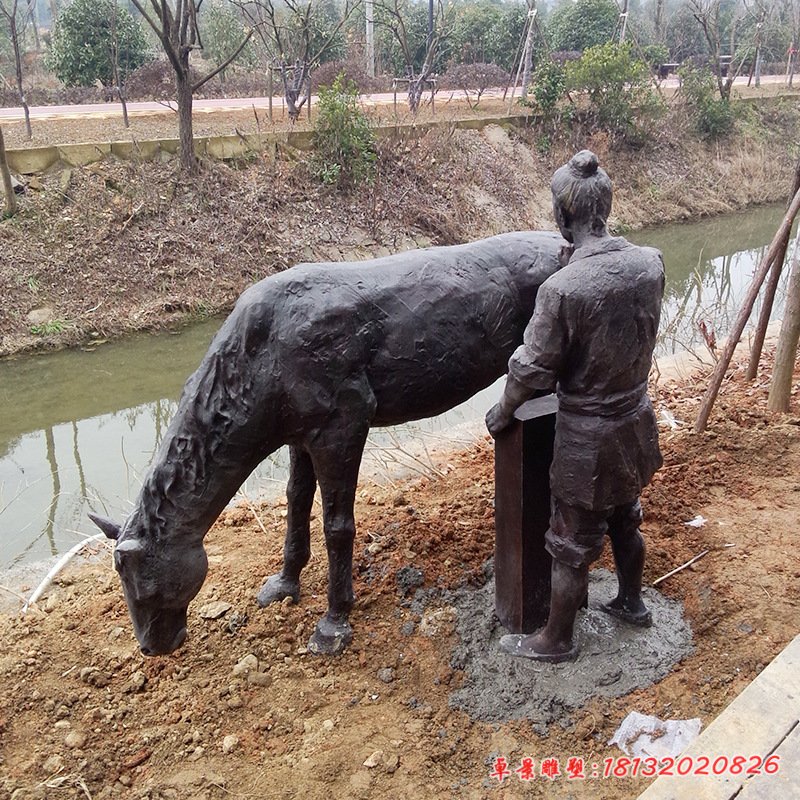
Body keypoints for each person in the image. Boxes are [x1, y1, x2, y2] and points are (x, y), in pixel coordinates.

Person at [486, 150, 664, 663]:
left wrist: (504, 410)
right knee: (626, 517)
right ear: (605, 207)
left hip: (589, 436)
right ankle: (631, 602)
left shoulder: (561, 291)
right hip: (636, 420)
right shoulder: (650, 263)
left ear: (563, 218)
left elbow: (531, 367)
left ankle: (556, 638)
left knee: (569, 540)